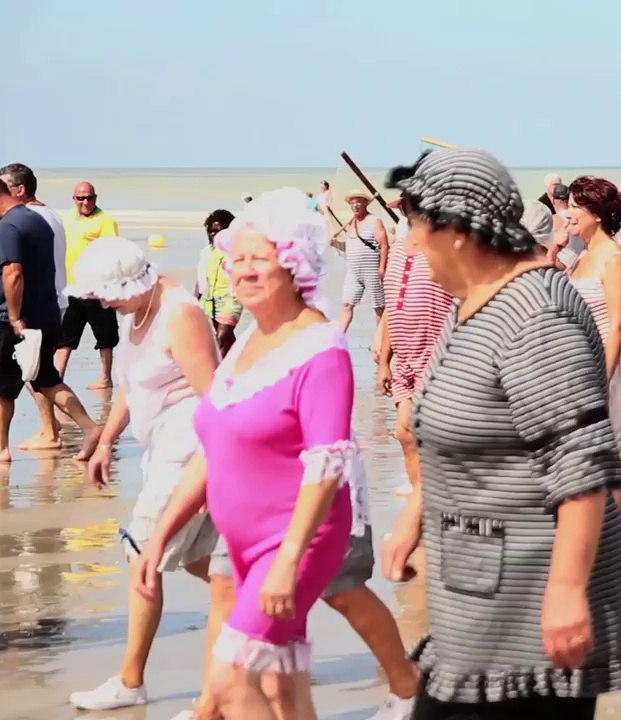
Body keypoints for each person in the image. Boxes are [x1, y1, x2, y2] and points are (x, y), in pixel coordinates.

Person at [380, 147, 621, 720]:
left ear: (459, 232)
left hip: (539, 596)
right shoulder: (471, 305)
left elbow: (583, 465)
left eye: (419, 229)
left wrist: (568, 591)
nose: (413, 246)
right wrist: (415, 513)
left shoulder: (537, 315)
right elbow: (448, 429)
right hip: (480, 589)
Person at [138, 188, 356, 720]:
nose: (245, 271)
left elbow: (328, 463)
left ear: (294, 263)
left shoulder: (322, 349)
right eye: (237, 260)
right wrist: (160, 534)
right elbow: (214, 449)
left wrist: (288, 561)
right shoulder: (245, 346)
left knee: (233, 681)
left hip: (297, 538)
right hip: (247, 543)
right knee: (283, 687)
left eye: (261, 259)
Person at [66, 237, 234, 720]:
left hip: (189, 459)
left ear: (133, 281)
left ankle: (130, 681)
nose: (104, 303)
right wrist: (104, 442)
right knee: (207, 562)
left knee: (143, 556)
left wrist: (211, 474)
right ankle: (268, 623)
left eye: (108, 294)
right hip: (161, 456)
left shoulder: (179, 315)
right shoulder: (138, 313)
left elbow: (214, 400)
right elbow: (130, 387)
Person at [0, 175, 100, 463]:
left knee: (1, 385)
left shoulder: (9, 226)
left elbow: (13, 272)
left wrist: (14, 317)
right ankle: (90, 428)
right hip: (47, 313)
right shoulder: (37, 220)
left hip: (16, 319)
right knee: (46, 378)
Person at [565, 176, 621, 511]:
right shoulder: (581, 256)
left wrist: (601, 380)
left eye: (575, 206)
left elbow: (617, 326)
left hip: (612, 365)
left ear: (596, 213)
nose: (567, 213)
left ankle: (614, 539)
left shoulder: (614, 260)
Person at [376, 196, 456, 496]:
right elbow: (391, 308)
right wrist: (385, 359)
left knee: (433, 438)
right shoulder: (397, 249)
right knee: (405, 434)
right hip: (403, 359)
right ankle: (420, 503)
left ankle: (438, 511)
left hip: (437, 356)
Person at [0, 163, 70, 451]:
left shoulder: (27, 218)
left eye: (4, 188)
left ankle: (50, 430)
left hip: (40, 304)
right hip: (55, 300)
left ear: (20, 190)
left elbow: (19, 268)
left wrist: (13, 312)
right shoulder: (49, 213)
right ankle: (50, 427)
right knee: (38, 370)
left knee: (34, 370)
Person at [60, 180, 121, 389]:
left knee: (105, 337)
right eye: (80, 198)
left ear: (96, 198)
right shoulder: (66, 218)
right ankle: (57, 377)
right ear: (74, 199)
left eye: (89, 198)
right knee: (65, 337)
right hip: (72, 287)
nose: (85, 202)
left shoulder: (105, 220)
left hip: (98, 289)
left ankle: (105, 377)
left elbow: (113, 251)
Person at [334, 192, 389, 331]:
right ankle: (338, 338)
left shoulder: (374, 221)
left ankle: (381, 342)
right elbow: (348, 248)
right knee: (346, 304)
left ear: (366, 203)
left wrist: (382, 268)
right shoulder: (351, 223)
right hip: (353, 272)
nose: (355, 205)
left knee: (379, 307)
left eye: (358, 202)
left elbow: (384, 245)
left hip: (371, 270)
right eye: (352, 203)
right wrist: (335, 243)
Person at [195, 210, 243, 354]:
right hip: (210, 301)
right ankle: (238, 362)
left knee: (221, 339)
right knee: (224, 339)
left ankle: (215, 375)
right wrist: (194, 300)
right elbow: (200, 280)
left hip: (231, 299)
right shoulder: (206, 252)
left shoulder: (237, 251)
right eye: (211, 232)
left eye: (218, 231)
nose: (214, 235)